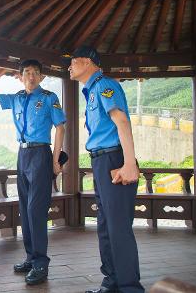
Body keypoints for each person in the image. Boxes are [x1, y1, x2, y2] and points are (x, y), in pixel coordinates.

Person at [0, 59, 66, 285]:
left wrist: (54, 161)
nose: (31, 76)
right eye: (27, 72)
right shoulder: (17, 98)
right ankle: (31, 258)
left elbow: (60, 128)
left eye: (35, 73)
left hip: (41, 154)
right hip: (22, 155)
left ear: (41, 77)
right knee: (25, 207)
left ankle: (41, 263)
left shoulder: (49, 98)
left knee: (36, 210)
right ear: (21, 76)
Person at [65, 46, 144, 293]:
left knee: (118, 226)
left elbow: (121, 121)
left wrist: (129, 163)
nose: (70, 67)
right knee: (105, 225)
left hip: (114, 159)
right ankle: (111, 282)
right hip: (100, 161)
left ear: (88, 62)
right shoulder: (90, 91)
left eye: (73, 61)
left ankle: (130, 287)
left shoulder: (103, 85)